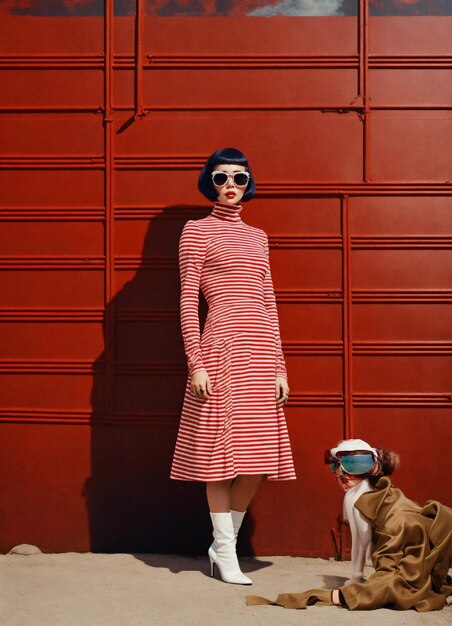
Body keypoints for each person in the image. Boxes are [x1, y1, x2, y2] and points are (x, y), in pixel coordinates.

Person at [170, 147, 296, 585]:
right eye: (221, 178)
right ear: (210, 182)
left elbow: (269, 301)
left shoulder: (258, 236)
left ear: (248, 183)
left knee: (258, 460)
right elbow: (188, 301)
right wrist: (196, 363)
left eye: (239, 178)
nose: (230, 186)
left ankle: (222, 544)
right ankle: (226, 553)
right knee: (220, 458)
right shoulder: (195, 231)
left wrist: (280, 366)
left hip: (260, 351)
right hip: (221, 346)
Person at [247, 438, 452, 610]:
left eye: (353, 466)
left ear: (372, 467)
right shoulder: (376, 492)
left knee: (391, 585)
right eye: (337, 466)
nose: (342, 474)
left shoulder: (355, 498)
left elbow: (362, 542)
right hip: (423, 535)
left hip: (405, 537)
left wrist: (355, 579)